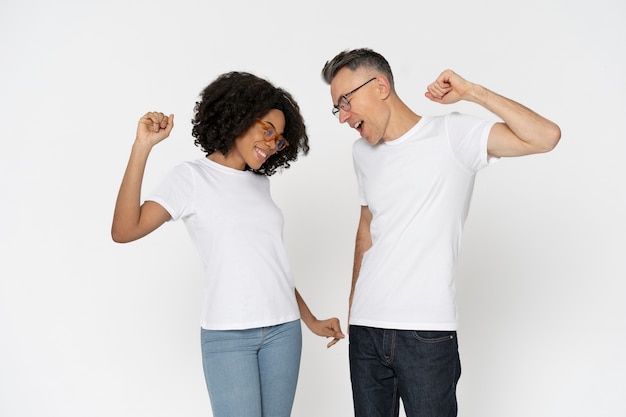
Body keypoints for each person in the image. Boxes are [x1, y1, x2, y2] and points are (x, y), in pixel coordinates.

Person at [320, 48, 561, 417]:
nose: (343, 117)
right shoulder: (362, 153)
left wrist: (473, 92)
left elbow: (545, 136)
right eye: (338, 108)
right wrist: (354, 311)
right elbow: (366, 229)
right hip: (366, 331)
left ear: (381, 86)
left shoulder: (452, 134)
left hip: (426, 333)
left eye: (346, 102)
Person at [111, 71, 344, 417]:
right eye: (267, 129)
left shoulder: (259, 186)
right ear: (239, 116)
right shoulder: (190, 178)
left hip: (284, 332)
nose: (271, 143)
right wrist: (142, 147)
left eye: (279, 139)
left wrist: (309, 320)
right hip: (228, 335)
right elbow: (124, 230)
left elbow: (269, 264)